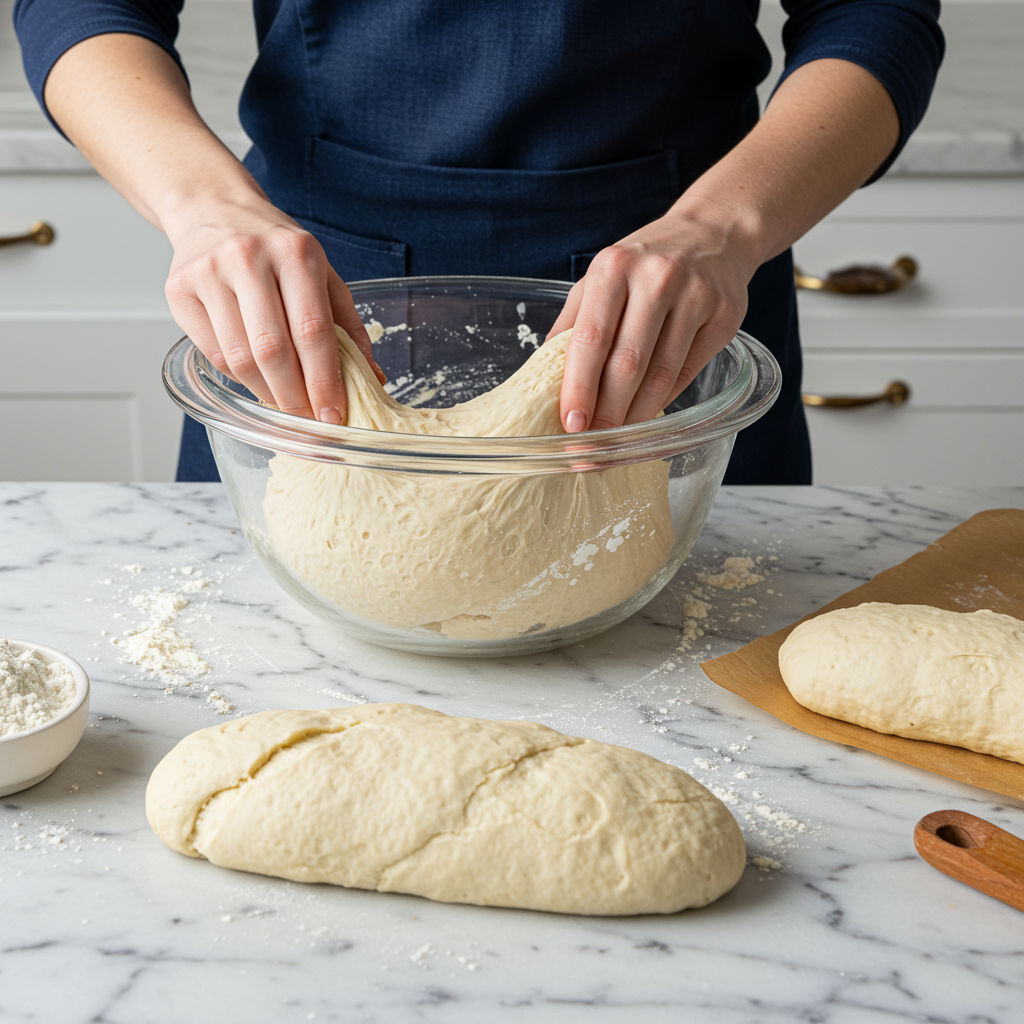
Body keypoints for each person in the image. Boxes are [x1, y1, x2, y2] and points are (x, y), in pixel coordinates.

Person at [15, 0, 943, 484]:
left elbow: (876, 13)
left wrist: (723, 228)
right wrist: (206, 208)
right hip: (316, 295)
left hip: (677, 297)